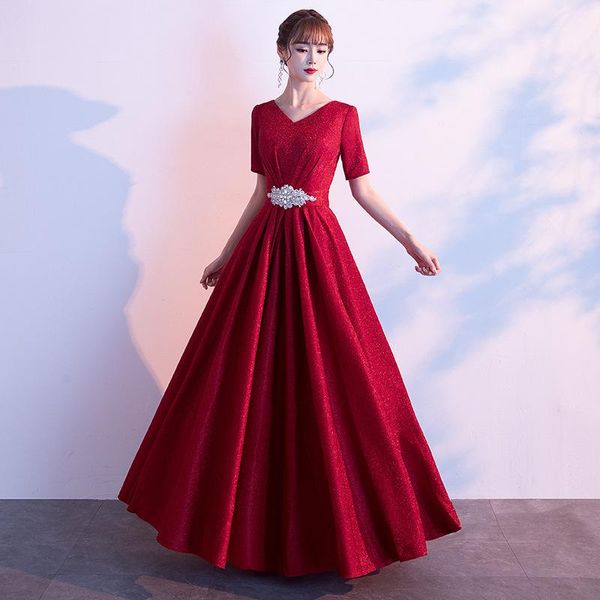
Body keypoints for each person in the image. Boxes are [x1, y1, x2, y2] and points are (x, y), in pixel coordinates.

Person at [118, 8, 462, 580]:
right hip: (266, 249)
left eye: (321, 50)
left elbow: (363, 189)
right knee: (247, 374)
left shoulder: (344, 115)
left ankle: (351, 526)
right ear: (283, 52)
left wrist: (410, 240)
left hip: (318, 250)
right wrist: (226, 255)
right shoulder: (261, 115)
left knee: (338, 373)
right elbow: (261, 193)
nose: (312, 59)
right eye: (303, 48)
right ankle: (246, 525)